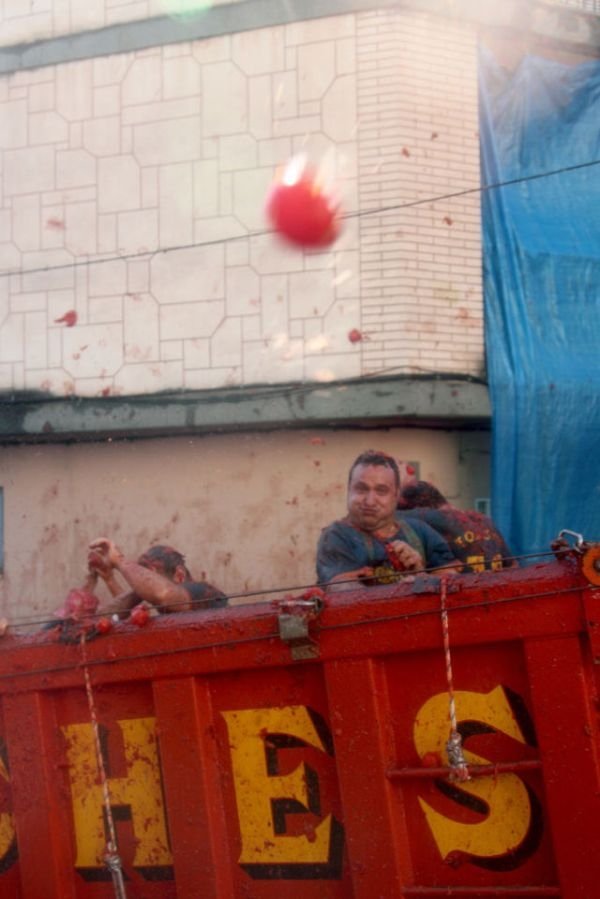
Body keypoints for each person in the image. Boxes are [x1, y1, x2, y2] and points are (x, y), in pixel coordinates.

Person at [316, 450, 458, 589]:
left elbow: (453, 581)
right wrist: (403, 590)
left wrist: (421, 575)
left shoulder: (421, 531)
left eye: (381, 491)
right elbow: (344, 593)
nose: (370, 501)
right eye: (361, 489)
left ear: (396, 495)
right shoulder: (335, 536)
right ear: (349, 490)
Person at [397, 480, 518, 572]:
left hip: (466, 596)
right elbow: (513, 567)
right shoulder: (482, 519)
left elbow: (388, 515)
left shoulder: (431, 517)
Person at [88, 539, 228, 614]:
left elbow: (163, 594)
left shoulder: (203, 592)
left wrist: (119, 561)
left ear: (179, 575)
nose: (149, 584)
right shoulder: (159, 596)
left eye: (152, 578)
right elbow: (113, 616)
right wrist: (109, 579)